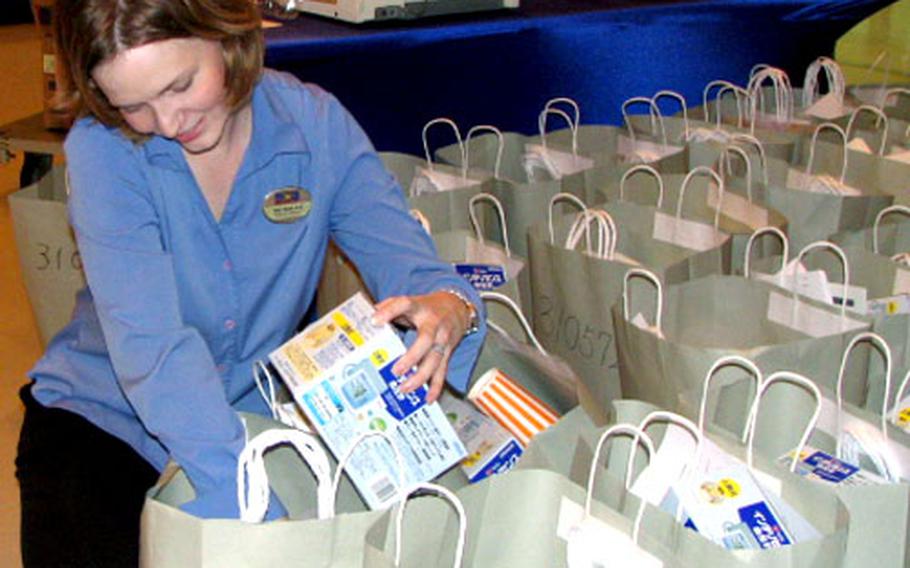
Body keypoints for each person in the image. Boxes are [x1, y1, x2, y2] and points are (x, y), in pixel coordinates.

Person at [15, 1, 485, 566]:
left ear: (225, 36)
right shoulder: (104, 146)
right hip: (105, 417)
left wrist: (450, 305)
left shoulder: (314, 125)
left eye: (180, 85)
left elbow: (406, 258)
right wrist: (251, 507)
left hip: (259, 416)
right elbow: (151, 348)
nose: (166, 123)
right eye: (133, 105)